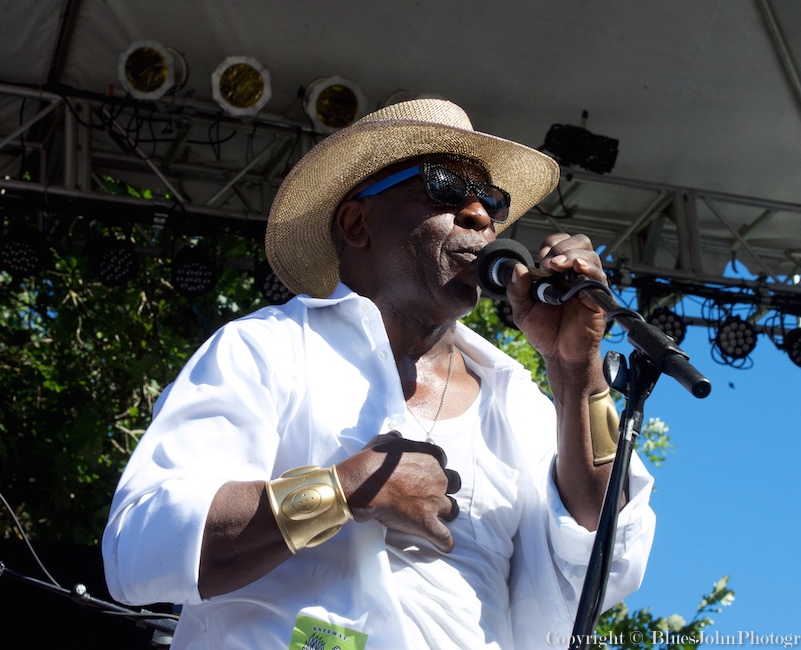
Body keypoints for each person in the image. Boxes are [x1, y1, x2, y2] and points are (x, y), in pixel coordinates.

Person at [102, 98, 655, 649]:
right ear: (357, 221)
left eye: (493, 203)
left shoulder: (519, 405)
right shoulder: (266, 349)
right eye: (444, 186)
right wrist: (344, 490)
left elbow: (606, 556)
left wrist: (576, 371)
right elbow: (141, 548)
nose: (480, 216)